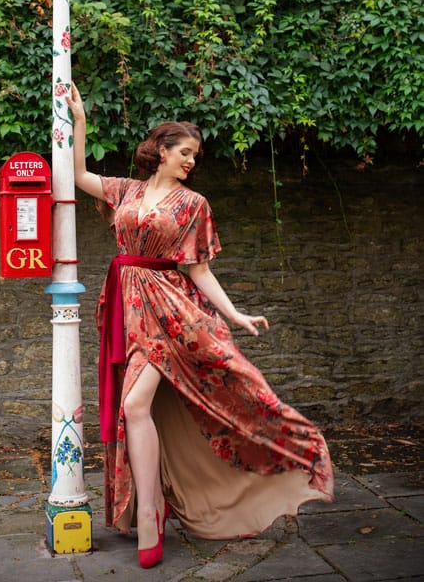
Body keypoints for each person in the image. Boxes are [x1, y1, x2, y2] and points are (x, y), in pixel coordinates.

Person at [65, 83, 334, 570]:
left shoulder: (195, 205)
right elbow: (76, 172)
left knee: (134, 403)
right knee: (135, 407)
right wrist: (80, 121)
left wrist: (233, 313)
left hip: (172, 313)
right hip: (128, 306)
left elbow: (200, 270)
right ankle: (149, 510)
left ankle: (150, 514)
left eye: (195, 156)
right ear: (161, 152)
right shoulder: (126, 190)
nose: (191, 161)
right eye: (184, 152)